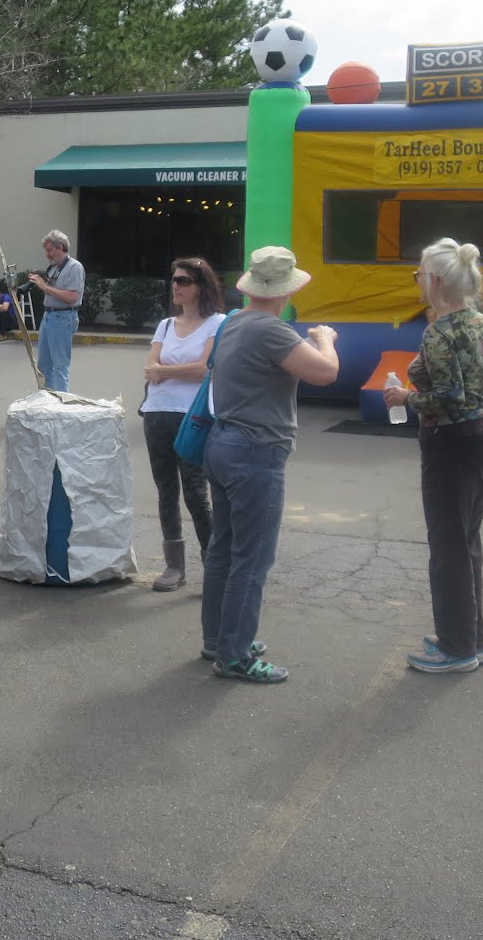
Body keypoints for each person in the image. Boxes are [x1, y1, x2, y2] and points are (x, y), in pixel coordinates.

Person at [203, 247, 338, 684]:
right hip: (256, 450)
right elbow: (325, 373)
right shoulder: (270, 330)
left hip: (224, 442)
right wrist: (325, 340)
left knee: (224, 549)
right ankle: (235, 654)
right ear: (288, 289)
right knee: (253, 557)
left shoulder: (237, 322)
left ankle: (220, 639)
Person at [383, 238, 483, 675]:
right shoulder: (480, 322)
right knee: (466, 544)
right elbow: (472, 388)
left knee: (448, 550)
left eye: (419, 275)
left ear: (434, 281)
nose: (416, 282)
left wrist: (406, 398)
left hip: (452, 442)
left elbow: (449, 397)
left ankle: (456, 648)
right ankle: (470, 638)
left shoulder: (439, 332)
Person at [141, 258, 227, 591]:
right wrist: (163, 370)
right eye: (174, 279)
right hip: (157, 413)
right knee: (166, 492)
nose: (176, 285)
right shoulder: (165, 325)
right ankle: (174, 566)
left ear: (202, 286)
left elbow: (205, 368)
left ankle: (213, 564)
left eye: (185, 280)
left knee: (195, 492)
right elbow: (150, 366)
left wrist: (165, 371)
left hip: (192, 415)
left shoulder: (217, 322)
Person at [29, 230, 84, 391]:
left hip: (63, 317)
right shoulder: (54, 268)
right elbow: (52, 290)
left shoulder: (74, 267)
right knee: (44, 365)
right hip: (49, 316)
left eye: (49, 250)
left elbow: (72, 297)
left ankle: (61, 405)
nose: (47, 254)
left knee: (60, 366)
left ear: (60, 247)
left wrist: (44, 286)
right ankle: (48, 402)